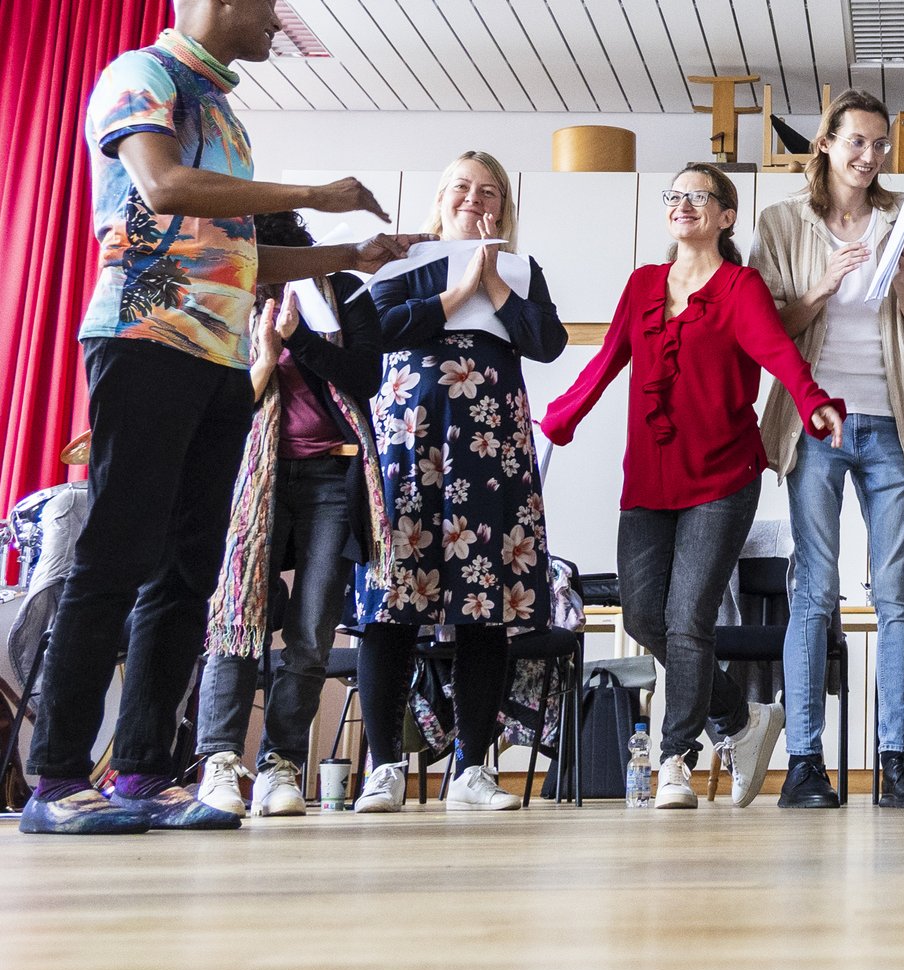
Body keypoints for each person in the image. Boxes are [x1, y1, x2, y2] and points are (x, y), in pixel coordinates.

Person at [20, 0, 419, 837]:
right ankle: (53, 782)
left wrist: (349, 257)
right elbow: (162, 189)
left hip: (217, 358)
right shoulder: (142, 74)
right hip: (142, 337)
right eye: (267, 2)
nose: (275, 21)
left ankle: (142, 776)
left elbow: (244, 255)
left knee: (189, 571)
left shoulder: (228, 121)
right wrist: (317, 190)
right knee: (117, 556)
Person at [543, 163, 841, 810]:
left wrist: (812, 398)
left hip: (723, 475)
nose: (683, 204)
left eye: (698, 196)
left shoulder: (740, 286)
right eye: (674, 195)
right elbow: (608, 356)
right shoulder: (643, 284)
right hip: (648, 478)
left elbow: (777, 353)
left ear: (726, 216)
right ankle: (741, 719)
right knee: (643, 614)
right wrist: (566, 411)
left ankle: (674, 758)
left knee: (688, 617)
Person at [751, 91, 904, 809]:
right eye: (856, 142)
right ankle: (806, 763)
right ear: (826, 144)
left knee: (895, 596)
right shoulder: (782, 222)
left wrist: (896, 277)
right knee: (814, 593)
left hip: (892, 425)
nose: (870, 157)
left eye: (879, 145)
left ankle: (895, 761)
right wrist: (825, 284)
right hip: (817, 425)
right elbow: (768, 323)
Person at [350, 151, 567, 814]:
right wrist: (455, 294)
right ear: (440, 199)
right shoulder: (399, 262)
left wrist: (492, 284)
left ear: (503, 207)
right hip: (409, 448)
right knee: (391, 608)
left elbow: (548, 342)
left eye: (490, 192)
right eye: (463, 189)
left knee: (484, 608)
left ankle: (473, 768)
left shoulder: (521, 271)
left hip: (490, 452)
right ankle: (384, 766)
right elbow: (376, 331)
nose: (476, 200)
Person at [196, 211, 388, 818]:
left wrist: (302, 338)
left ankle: (280, 763)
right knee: (238, 615)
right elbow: (222, 404)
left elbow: (367, 378)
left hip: (334, 473)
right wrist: (268, 351)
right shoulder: (226, 297)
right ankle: (221, 761)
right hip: (257, 476)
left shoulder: (342, 293)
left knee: (311, 627)